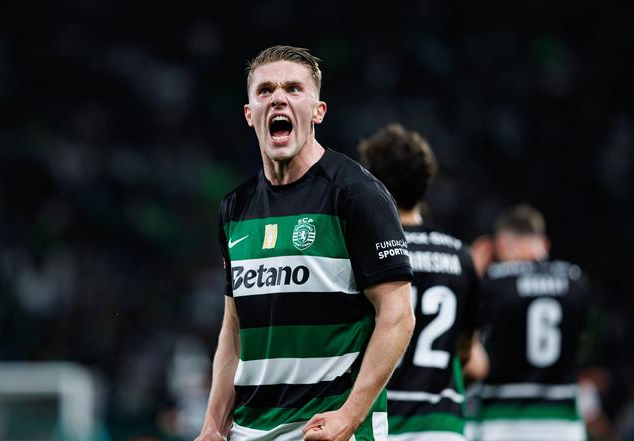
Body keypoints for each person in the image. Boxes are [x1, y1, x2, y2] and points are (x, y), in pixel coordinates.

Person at [194, 46, 415, 441]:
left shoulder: (356, 193)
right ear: (249, 114)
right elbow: (234, 328)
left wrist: (349, 417)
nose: (278, 98)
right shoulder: (234, 208)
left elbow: (398, 315)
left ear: (318, 111)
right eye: (265, 90)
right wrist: (213, 425)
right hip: (249, 430)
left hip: (328, 431)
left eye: (293, 88)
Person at [358, 123, 482, 441]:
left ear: (372, 184)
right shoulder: (460, 256)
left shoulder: (365, 252)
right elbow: (467, 353)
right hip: (442, 425)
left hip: (377, 421)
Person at [476, 204, 589, 441]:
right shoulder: (576, 281)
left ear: (502, 243)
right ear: (544, 243)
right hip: (563, 423)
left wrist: (473, 273)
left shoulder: (494, 282)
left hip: (502, 421)